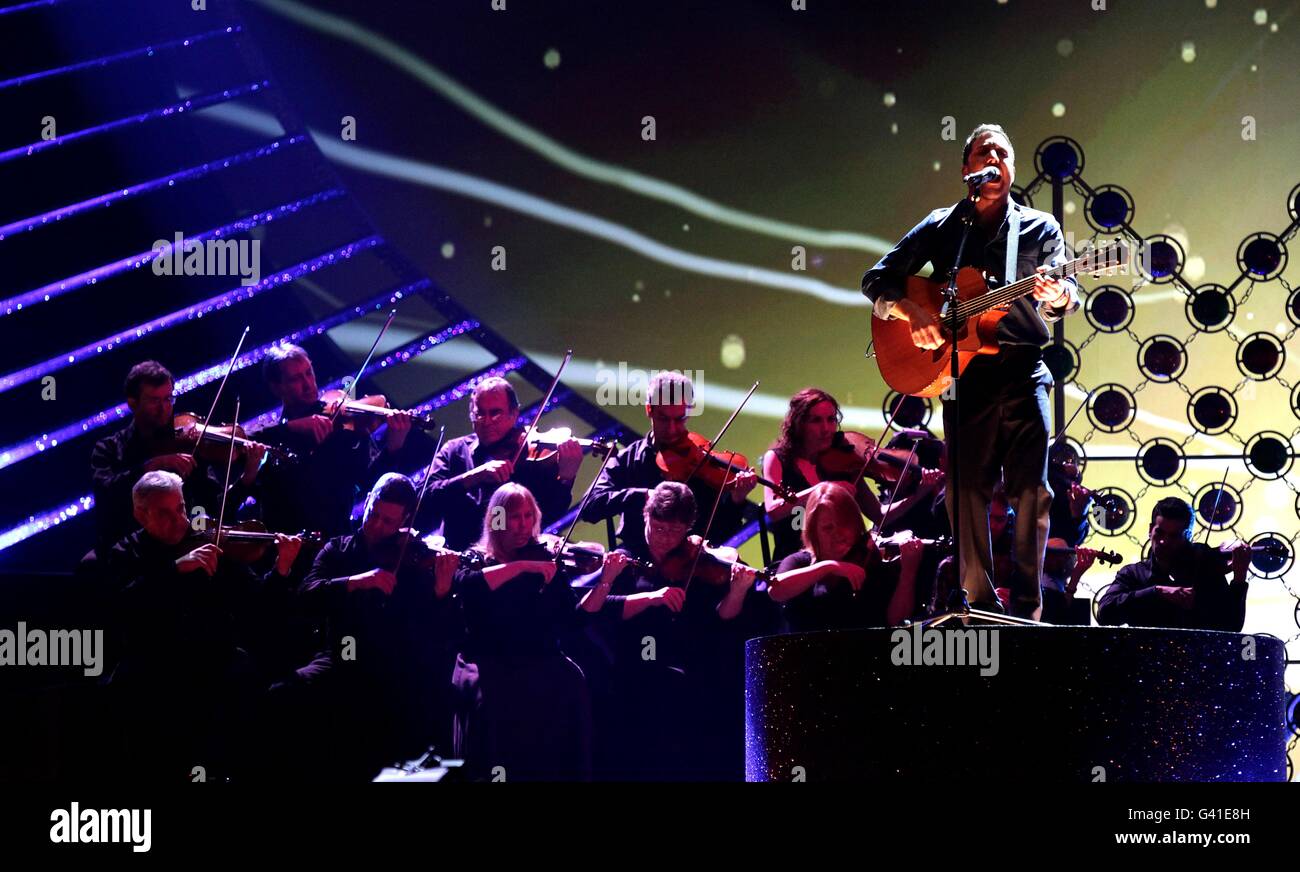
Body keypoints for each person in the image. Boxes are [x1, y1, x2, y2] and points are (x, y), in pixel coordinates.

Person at [862, 123, 1081, 619]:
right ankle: (979, 604)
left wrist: (1060, 294)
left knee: (1033, 489)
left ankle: (1026, 605)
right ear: (967, 169)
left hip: (1025, 370)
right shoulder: (944, 225)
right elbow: (876, 278)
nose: (996, 161)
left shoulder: (1039, 228)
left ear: (1012, 167)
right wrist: (911, 312)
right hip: (964, 376)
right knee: (965, 492)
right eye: (985, 154)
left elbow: (1067, 295)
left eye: (1003, 154)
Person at [98, 471, 302, 782]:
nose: (179, 520)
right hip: (156, 665)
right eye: (164, 513)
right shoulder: (125, 553)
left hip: (210, 662)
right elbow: (124, 606)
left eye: (180, 508)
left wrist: (282, 568)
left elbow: (257, 600)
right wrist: (174, 569)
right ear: (140, 514)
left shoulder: (208, 545)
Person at [585, 481, 759, 779]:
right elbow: (597, 609)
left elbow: (720, 620)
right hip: (631, 674)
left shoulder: (698, 562)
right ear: (645, 516)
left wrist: (738, 592)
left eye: (676, 531)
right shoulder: (627, 557)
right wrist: (650, 598)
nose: (666, 540)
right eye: (659, 528)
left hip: (687, 675)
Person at [295, 473, 462, 779]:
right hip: (340, 658)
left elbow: (435, 629)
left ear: (404, 520)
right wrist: (356, 582)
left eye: (389, 522)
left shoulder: (412, 558)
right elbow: (307, 594)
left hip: (392, 671)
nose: (376, 527)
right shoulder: (339, 549)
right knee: (283, 693)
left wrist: (441, 591)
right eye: (374, 514)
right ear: (368, 499)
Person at [453, 483, 621, 780]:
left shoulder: (544, 561)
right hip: (492, 661)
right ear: (498, 519)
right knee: (496, 700)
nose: (523, 525)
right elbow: (471, 587)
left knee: (572, 682)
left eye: (529, 516)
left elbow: (574, 620)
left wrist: (605, 581)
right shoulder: (477, 560)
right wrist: (520, 567)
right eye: (514, 517)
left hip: (539, 661)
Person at [90, 360, 263, 550]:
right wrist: (152, 466)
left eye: (168, 399)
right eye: (154, 401)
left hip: (183, 548)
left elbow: (215, 507)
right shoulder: (109, 448)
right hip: (130, 551)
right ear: (132, 403)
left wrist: (248, 477)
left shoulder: (188, 446)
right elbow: (106, 493)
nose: (164, 408)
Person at [250, 344, 414, 538]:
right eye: (295, 379)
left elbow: (371, 480)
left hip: (332, 543)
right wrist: (294, 428)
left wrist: (395, 443)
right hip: (284, 547)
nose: (308, 384)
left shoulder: (344, 429)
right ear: (277, 387)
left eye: (308, 373)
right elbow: (247, 439)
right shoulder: (274, 438)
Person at [582, 370, 756, 552]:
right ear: (649, 409)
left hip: (691, 561)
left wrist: (737, 500)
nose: (672, 429)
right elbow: (589, 506)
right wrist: (642, 495)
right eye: (664, 419)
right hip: (639, 558)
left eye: (680, 419)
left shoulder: (701, 460)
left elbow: (722, 533)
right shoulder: (628, 458)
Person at [421, 376, 582, 550]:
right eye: (480, 413)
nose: (487, 421)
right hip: (457, 557)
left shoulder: (531, 456)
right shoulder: (455, 450)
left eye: (495, 413)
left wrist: (566, 477)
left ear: (514, 414)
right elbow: (424, 500)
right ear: (471, 415)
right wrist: (473, 477)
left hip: (512, 561)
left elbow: (550, 514)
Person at [769, 482, 924, 632]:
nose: (838, 534)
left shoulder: (871, 558)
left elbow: (896, 621)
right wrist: (829, 567)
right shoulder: (800, 562)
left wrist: (908, 572)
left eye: (844, 524)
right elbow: (776, 590)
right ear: (813, 531)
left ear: (855, 523)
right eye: (828, 528)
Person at [761, 387, 883, 562]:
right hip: (797, 561)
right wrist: (823, 490)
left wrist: (920, 491)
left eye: (831, 419)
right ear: (799, 424)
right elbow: (773, 509)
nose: (826, 429)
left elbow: (879, 514)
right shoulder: (777, 458)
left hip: (842, 557)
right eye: (816, 420)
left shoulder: (843, 461)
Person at [1097, 497, 1250, 632]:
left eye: (1174, 536)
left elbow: (1232, 625)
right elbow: (1105, 614)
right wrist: (1157, 592)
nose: (1164, 541)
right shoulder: (1133, 574)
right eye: (1160, 533)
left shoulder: (1205, 568)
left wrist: (1239, 577)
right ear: (1150, 530)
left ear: (1188, 536)